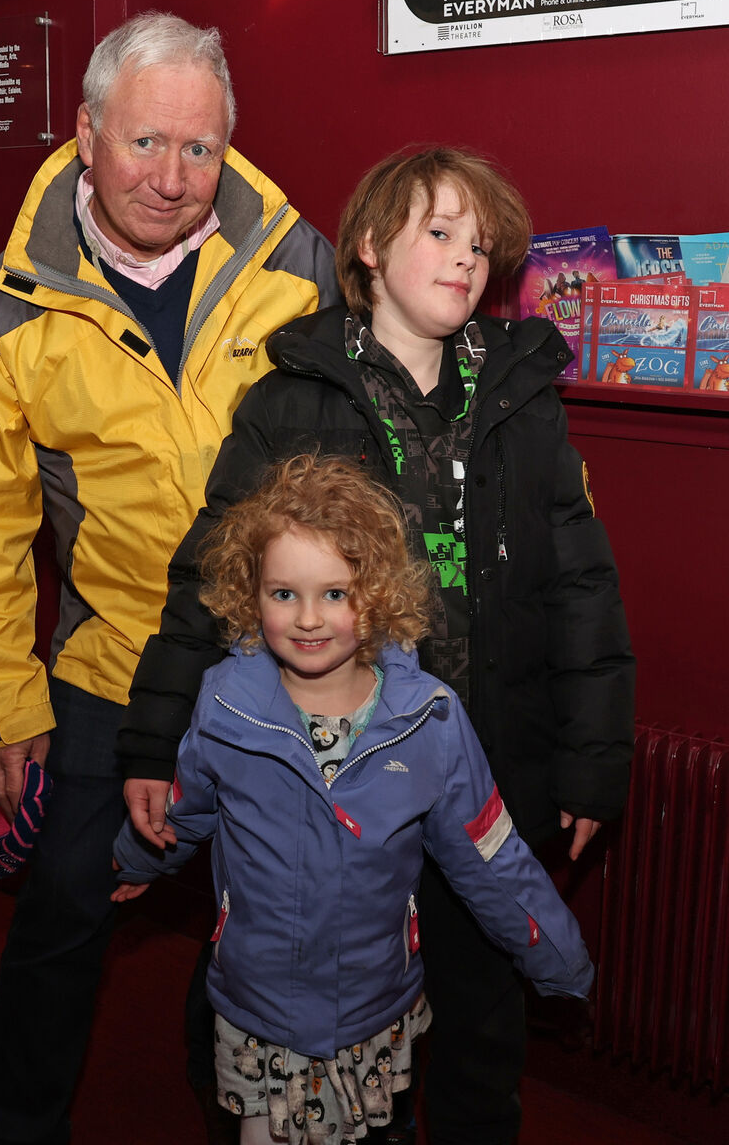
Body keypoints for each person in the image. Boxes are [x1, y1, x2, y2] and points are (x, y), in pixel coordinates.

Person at [117, 146, 636, 1145]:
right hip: (330, 774)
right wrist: (149, 743)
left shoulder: (522, 393)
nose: (463, 260)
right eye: (436, 233)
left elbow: (582, 588)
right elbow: (211, 577)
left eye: (477, 244)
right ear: (367, 245)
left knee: (482, 1036)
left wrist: (593, 762)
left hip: (489, 756)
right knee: (306, 1017)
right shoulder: (293, 396)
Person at [0, 10, 337, 1145]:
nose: (171, 177)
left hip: (281, 669)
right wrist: (5, 709)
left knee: (272, 920)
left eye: (197, 150)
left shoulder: (297, 265)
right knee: (61, 913)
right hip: (109, 672)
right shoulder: (7, 305)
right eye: (145, 144)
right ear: (85, 132)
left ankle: (243, 1112)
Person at [112, 454, 595, 1145]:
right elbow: (184, 808)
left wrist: (559, 956)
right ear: (250, 595)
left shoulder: (427, 718)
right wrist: (135, 859)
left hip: (374, 1004)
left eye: (334, 593)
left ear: (376, 595)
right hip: (258, 1006)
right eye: (283, 594)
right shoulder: (225, 704)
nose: (308, 618)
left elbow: (489, 855)